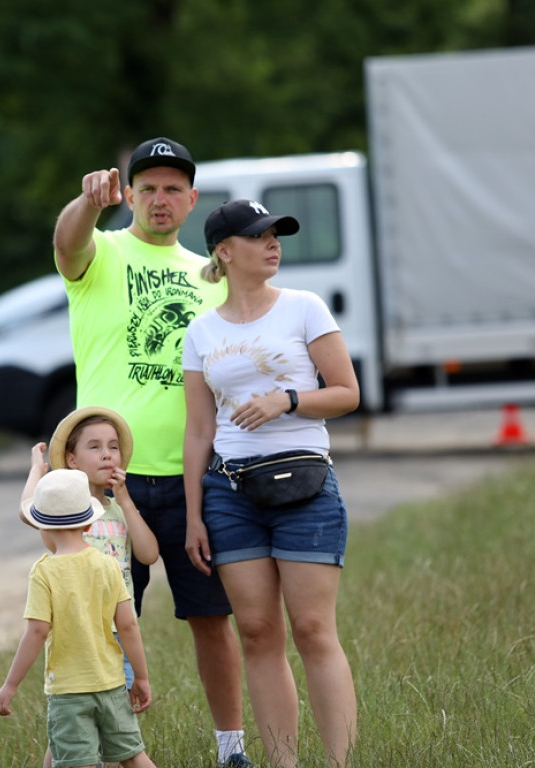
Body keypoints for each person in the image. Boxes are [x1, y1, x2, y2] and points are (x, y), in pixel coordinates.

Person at [53, 137, 252, 767]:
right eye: (148, 188)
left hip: (195, 479)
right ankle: (106, 752)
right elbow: (66, 242)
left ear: (192, 200)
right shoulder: (103, 252)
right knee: (104, 625)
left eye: (173, 189)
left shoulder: (210, 278)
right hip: (110, 484)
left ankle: (231, 750)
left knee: (212, 618)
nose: (160, 199)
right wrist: (87, 205)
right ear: (129, 195)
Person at [181, 199, 360, 768]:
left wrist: (287, 400)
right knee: (257, 633)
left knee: (311, 629)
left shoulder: (305, 308)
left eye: (276, 233)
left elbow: (347, 393)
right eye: (259, 236)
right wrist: (192, 517)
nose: (273, 242)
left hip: (306, 486)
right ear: (225, 252)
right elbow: (199, 430)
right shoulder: (200, 332)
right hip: (230, 494)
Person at [20, 406, 160, 768]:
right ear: (72, 460)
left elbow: (148, 554)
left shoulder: (117, 510)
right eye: (95, 447)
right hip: (75, 637)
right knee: (69, 727)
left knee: (100, 728)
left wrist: (126, 500)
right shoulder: (61, 520)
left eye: (113, 447)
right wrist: (39, 471)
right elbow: (28, 509)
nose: (107, 454)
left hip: (116, 637)